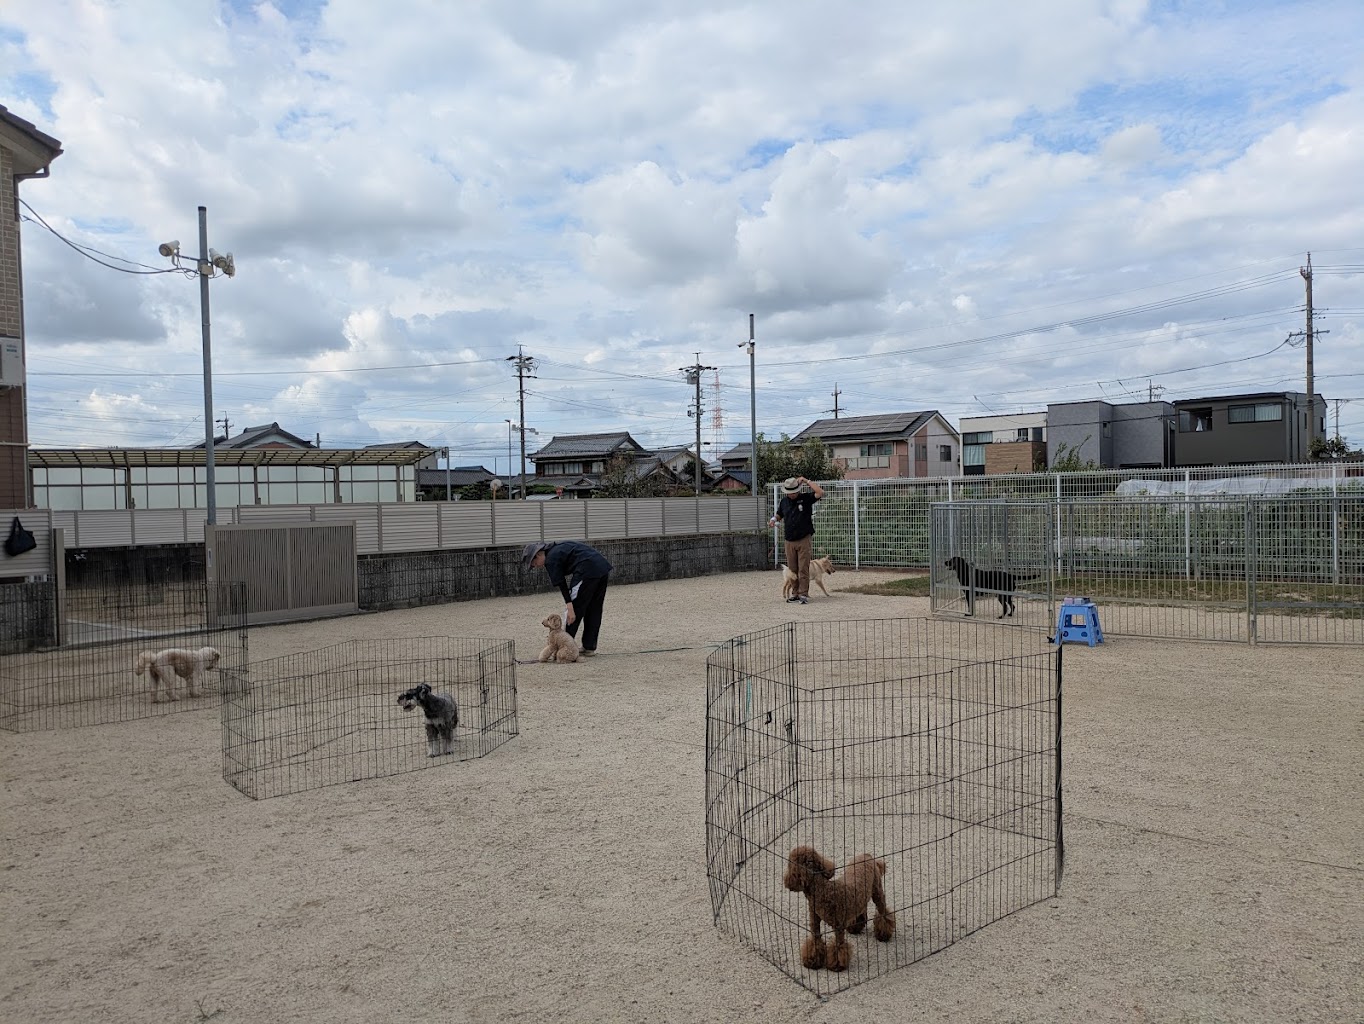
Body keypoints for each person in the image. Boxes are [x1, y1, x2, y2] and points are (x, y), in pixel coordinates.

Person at [521, 540, 613, 656]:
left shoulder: (550, 559)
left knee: (573, 610)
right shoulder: (558, 548)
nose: (535, 566)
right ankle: (589, 647)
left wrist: (570, 606)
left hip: (587, 570)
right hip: (602, 568)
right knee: (594, 609)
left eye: (533, 563)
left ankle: (565, 648)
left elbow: (562, 584)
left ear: (538, 554)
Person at [768, 475, 825, 604]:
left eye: (793, 492)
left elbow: (820, 492)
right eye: (789, 492)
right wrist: (773, 519)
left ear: (798, 489)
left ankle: (803, 593)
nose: (791, 495)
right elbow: (779, 514)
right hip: (789, 539)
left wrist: (806, 480)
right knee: (792, 569)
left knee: (803, 567)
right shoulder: (784, 502)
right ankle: (795, 593)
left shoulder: (806, 498)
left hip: (804, 537)